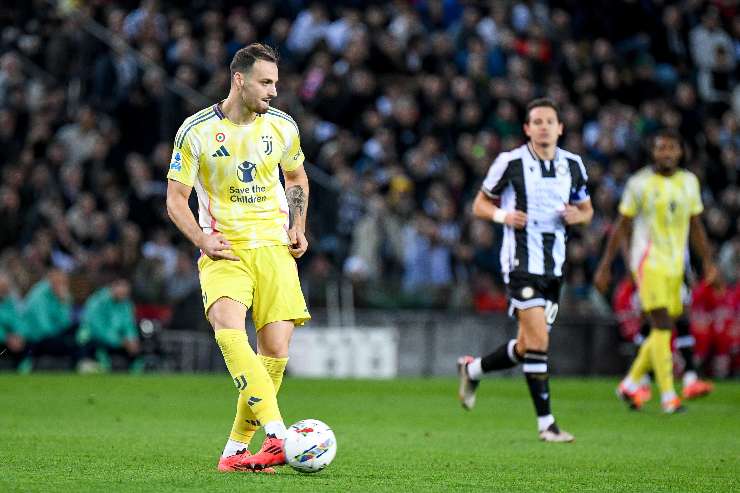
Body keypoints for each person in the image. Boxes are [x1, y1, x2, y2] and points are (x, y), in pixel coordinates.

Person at [165, 43, 310, 473]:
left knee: (276, 353)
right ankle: (279, 435)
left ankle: (234, 451)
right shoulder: (196, 131)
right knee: (229, 331)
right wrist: (200, 239)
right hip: (224, 248)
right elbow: (176, 198)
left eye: (277, 84)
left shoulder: (283, 126)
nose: (274, 93)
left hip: (274, 249)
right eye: (266, 83)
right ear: (239, 80)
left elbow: (297, 176)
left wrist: (298, 223)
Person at [457, 98, 593, 443]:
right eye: (537, 121)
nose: (544, 126)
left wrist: (580, 216)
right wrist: (504, 216)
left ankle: (472, 369)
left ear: (560, 127)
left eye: (550, 120)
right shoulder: (511, 161)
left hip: (554, 267)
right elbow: (479, 204)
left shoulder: (573, 165)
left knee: (527, 345)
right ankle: (547, 425)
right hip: (520, 263)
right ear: (527, 129)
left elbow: (586, 208)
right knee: (540, 341)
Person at [594, 128, 718, 413]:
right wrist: (605, 266)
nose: (666, 153)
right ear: (652, 152)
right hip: (648, 264)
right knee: (661, 325)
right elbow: (621, 227)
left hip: (676, 266)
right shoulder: (639, 184)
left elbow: (696, 225)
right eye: (661, 148)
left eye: (671, 148)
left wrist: (708, 262)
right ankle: (668, 397)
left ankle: (631, 381)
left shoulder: (689, 182)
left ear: (680, 151)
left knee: (664, 329)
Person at [76, 276, 144, 373]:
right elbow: (98, 329)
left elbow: (129, 326)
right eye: (121, 289)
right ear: (113, 287)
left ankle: (135, 374)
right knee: (96, 344)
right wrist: (121, 341)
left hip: (117, 339)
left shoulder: (126, 304)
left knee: (136, 347)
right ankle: (93, 365)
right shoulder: (98, 302)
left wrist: (132, 339)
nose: (124, 294)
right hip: (91, 338)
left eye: (126, 292)